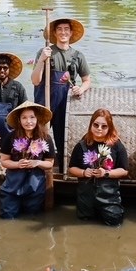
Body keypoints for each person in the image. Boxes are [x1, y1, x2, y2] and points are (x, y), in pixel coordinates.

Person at [31, 18, 91, 170]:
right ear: (54, 33)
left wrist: (81, 89)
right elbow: (35, 81)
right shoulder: (45, 52)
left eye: (66, 29)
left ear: (71, 33)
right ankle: (36, 166)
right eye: (59, 29)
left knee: (63, 137)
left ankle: (63, 168)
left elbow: (87, 80)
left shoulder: (78, 56)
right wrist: (42, 60)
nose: (63, 32)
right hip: (45, 100)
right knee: (40, 136)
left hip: (66, 102)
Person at [67, 109, 130, 226]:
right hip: (86, 197)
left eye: (104, 126)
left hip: (109, 197)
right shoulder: (81, 145)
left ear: (109, 127)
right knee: (83, 223)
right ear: (91, 124)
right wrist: (83, 172)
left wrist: (106, 173)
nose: (99, 128)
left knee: (114, 222)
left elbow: (124, 170)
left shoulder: (117, 146)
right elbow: (71, 168)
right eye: (96, 125)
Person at [0, 101, 56, 219]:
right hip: (13, 184)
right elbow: (4, 161)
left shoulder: (46, 138)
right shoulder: (11, 137)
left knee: (32, 217)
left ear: (37, 119)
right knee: (7, 216)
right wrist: (18, 164)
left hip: (35, 185)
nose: (28, 121)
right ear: (19, 120)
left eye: (32, 117)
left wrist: (38, 162)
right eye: (24, 117)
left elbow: (50, 163)